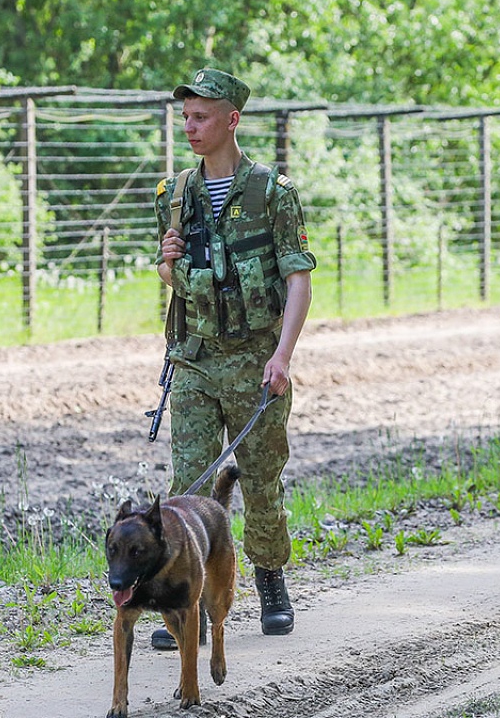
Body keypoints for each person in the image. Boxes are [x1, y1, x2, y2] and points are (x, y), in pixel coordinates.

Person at [151, 68, 316, 649]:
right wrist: (168, 263)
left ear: (231, 120)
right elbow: (175, 280)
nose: (190, 127)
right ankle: (184, 600)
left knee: (262, 481)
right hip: (195, 361)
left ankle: (270, 579)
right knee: (189, 482)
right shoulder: (173, 196)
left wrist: (283, 354)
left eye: (201, 117)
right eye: (186, 117)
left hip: (256, 362)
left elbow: (298, 279)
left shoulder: (272, 193)